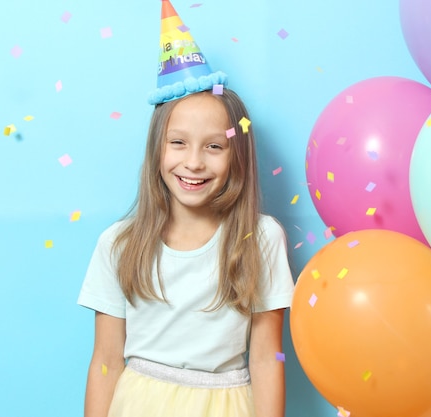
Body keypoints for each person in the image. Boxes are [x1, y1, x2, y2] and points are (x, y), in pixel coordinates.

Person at [77, 86, 295, 417]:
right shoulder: (118, 243)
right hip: (138, 406)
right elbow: (105, 361)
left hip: (225, 407)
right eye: (178, 142)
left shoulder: (260, 238)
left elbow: (267, 359)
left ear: (236, 153)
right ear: (156, 149)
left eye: (214, 146)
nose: (193, 162)